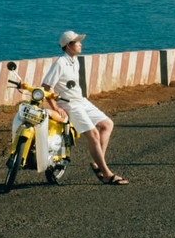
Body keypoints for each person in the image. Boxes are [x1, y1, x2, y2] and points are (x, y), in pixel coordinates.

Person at [42, 31, 129, 185]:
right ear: (68, 46)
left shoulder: (75, 61)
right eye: (77, 42)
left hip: (80, 101)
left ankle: (97, 163)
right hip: (68, 104)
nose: (81, 44)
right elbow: (46, 86)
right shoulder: (60, 63)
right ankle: (107, 173)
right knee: (94, 134)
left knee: (107, 124)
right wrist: (56, 107)